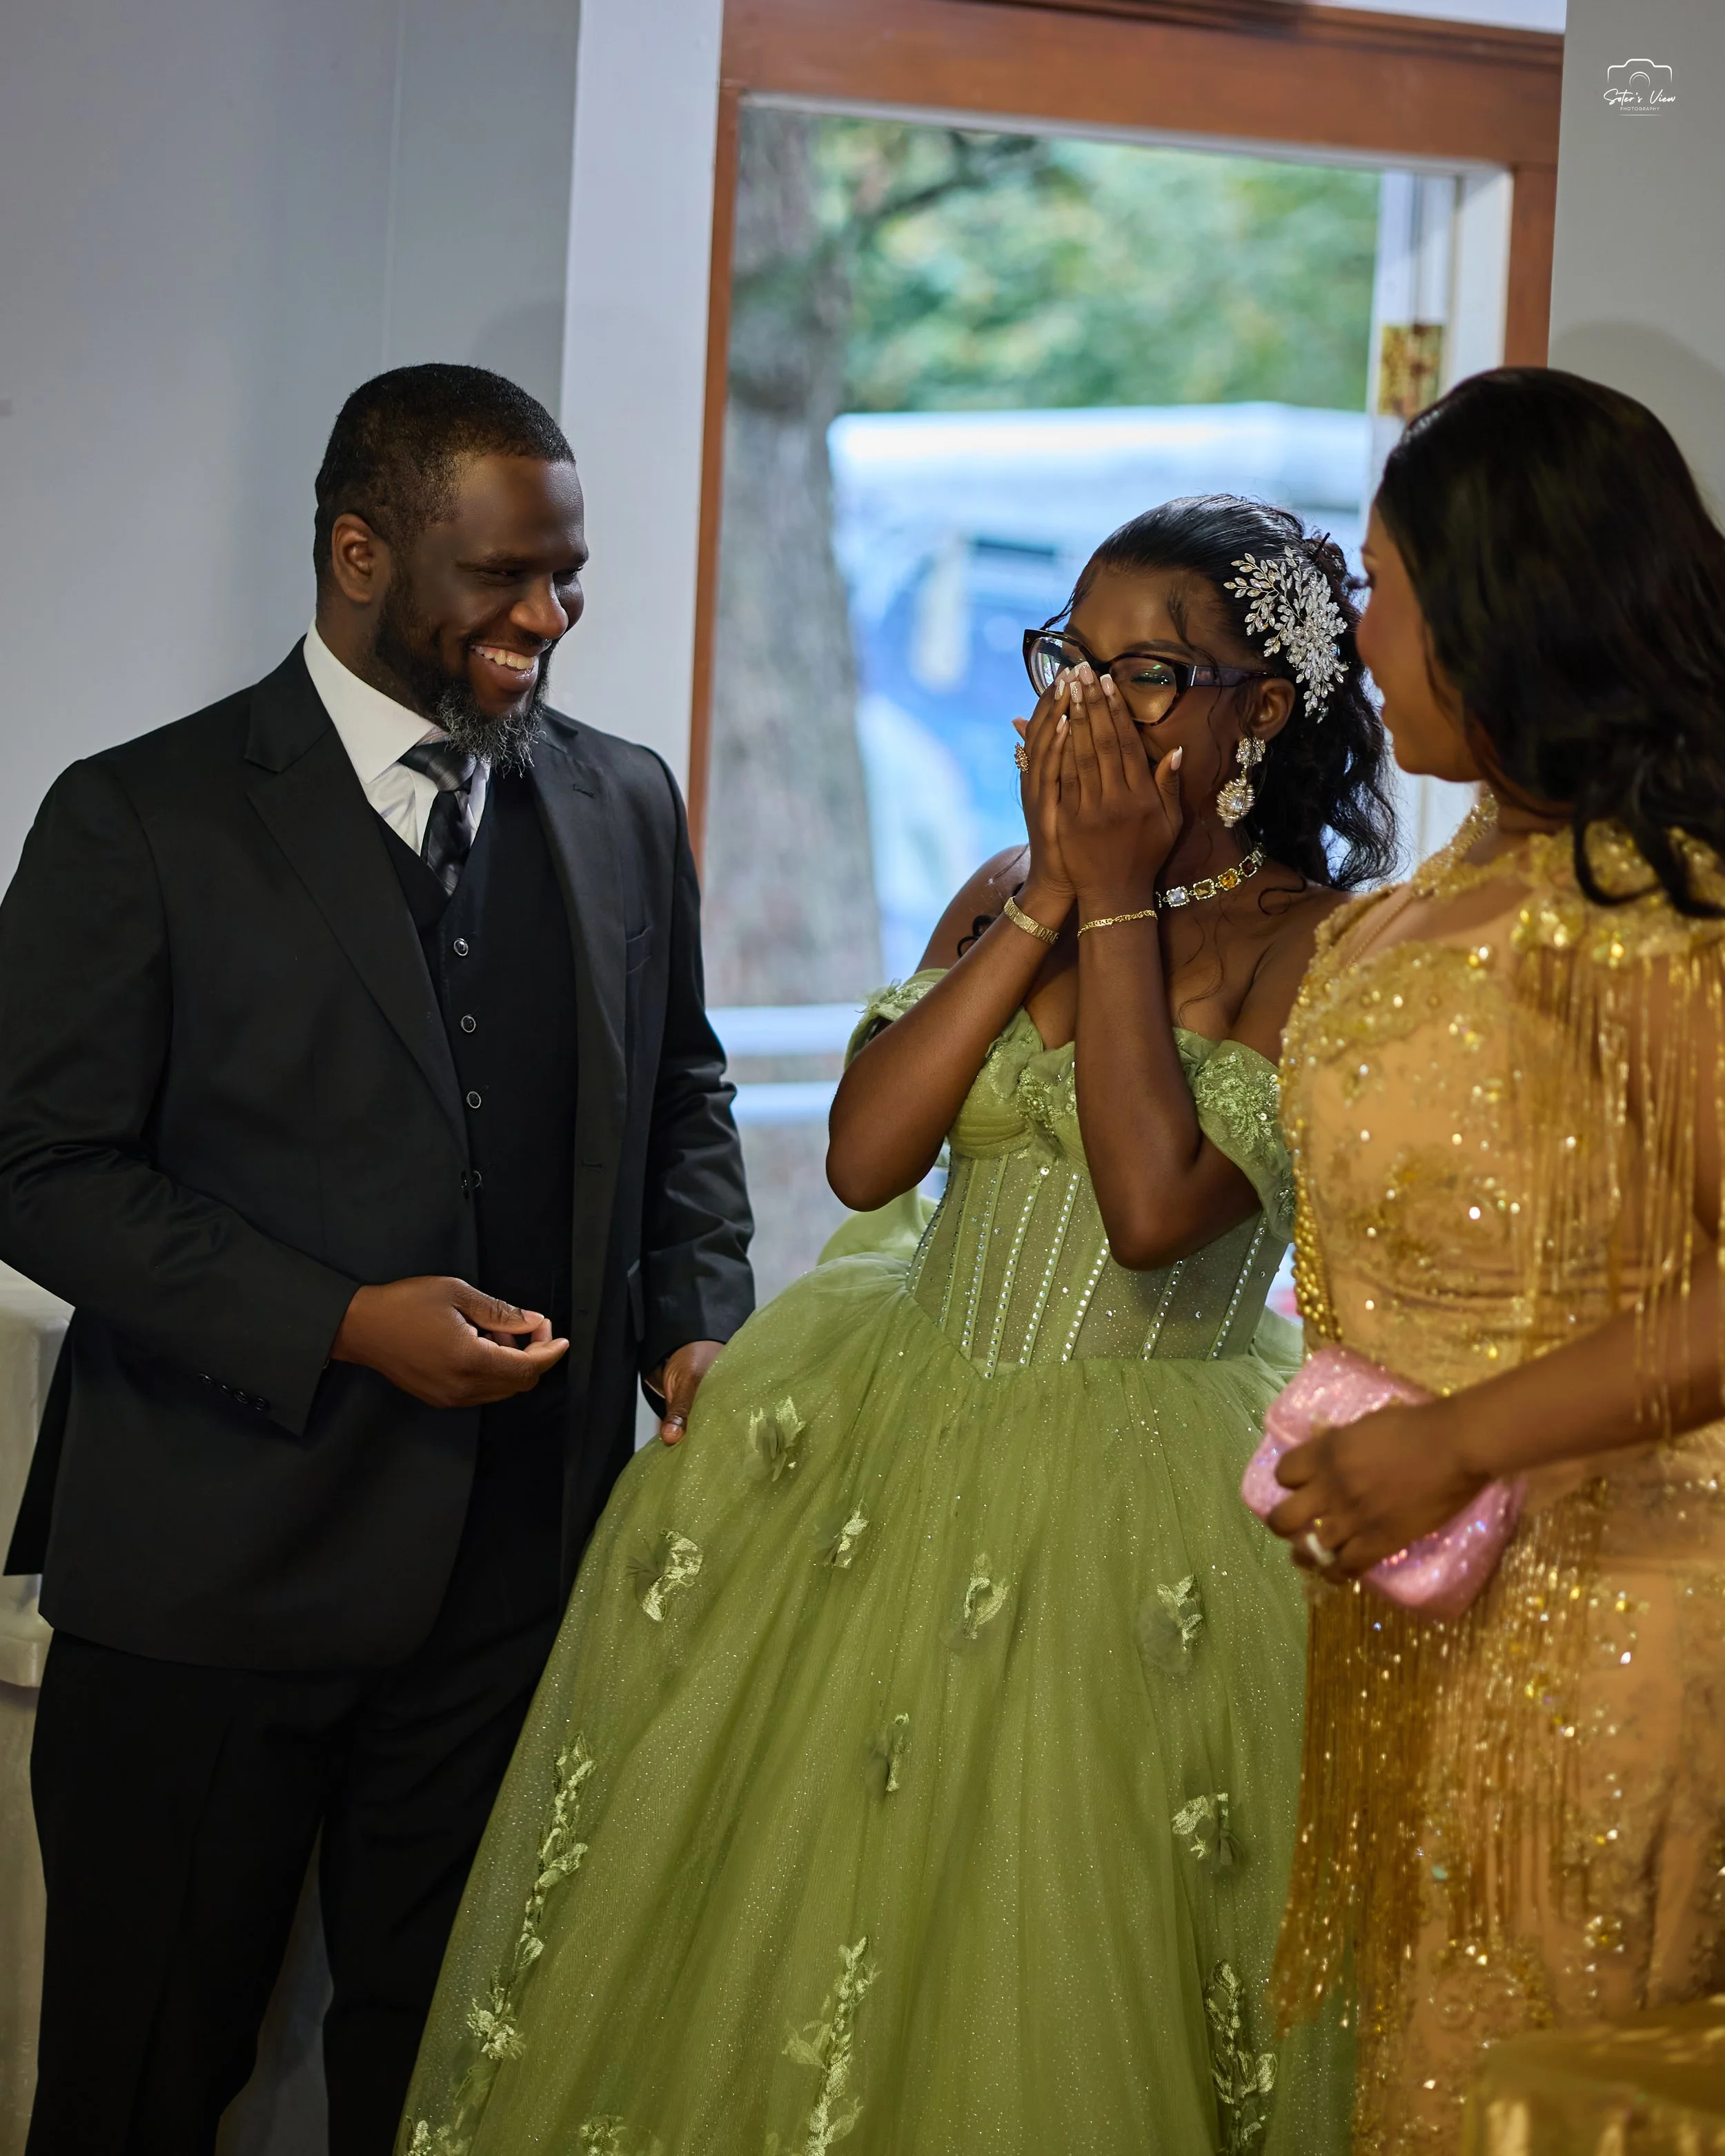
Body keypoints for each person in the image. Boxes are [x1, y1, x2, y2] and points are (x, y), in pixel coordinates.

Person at [398, 494, 1394, 2156]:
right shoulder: (1013, 888)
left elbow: (1151, 1209)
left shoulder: (1320, 945)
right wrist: (1035, 909)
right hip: (886, 1436)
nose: (1082, 706)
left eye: (1140, 673)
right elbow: (868, 1156)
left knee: (1054, 1948)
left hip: (1136, 1498)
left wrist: (1124, 900)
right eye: (1064, 660)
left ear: (1261, 708)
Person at [0, 363, 753, 2155]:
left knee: (449, 2090)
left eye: (567, 576)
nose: (548, 617)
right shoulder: (144, 817)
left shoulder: (624, 800)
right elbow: (32, 1163)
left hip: (518, 1586)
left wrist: (693, 1324)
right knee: (138, 2085)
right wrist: (336, 1320)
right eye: (504, 576)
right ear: (354, 551)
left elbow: (683, 1097)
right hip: (209, 1582)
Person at [1263, 368, 1725, 2152]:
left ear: (1494, 605)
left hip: (1614, 1610)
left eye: (1378, 584)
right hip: (1420, 1590)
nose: (1358, 632)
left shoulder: (1645, 906)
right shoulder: (1443, 885)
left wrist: (1458, 1441)